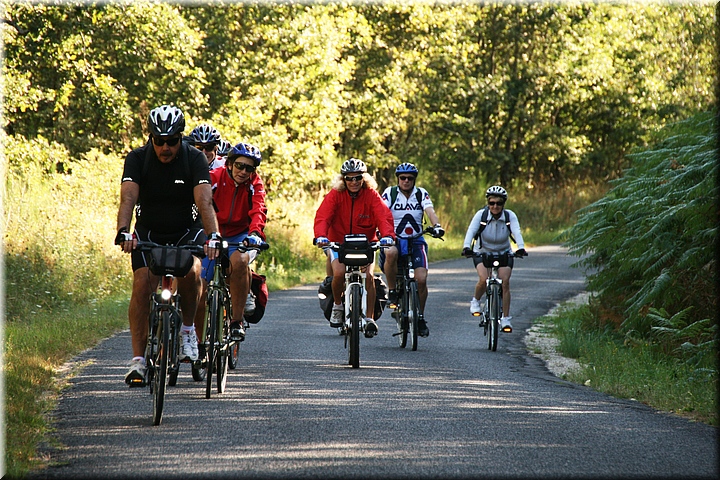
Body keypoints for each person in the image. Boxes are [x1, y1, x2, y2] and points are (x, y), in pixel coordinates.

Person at [115, 105, 222, 386]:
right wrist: (123, 232)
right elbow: (127, 199)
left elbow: (205, 201)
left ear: (180, 138)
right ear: (150, 137)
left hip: (187, 231)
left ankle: (188, 331)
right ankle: (138, 361)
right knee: (142, 283)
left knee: (193, 273)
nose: (165, 147)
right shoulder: (138, 159)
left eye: (172, 141)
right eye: (159, 140)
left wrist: (214, 236)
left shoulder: (194, 158)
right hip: (150, 231)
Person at [193, 142, 267, 343]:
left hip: (239, 235)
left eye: (249, 168)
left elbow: (259, 210)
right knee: (200, 286)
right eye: (240, 166)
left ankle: (236, 321)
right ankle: (198, 341)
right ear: (230, 164)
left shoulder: (255, 184)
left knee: (241, 262)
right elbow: (200, 204)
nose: (243, 172)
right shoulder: (214, 177)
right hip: (212, 234)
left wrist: (255, 234)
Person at [314, 158, 395, 337]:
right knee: (339, 274)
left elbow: (384, 216)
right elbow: (323, 217)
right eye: (349, 178)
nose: (354, 182)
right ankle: (337, 305)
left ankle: (369, 318)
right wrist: (321, 236)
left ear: (363, 178)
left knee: (368, 276)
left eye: (357, 178)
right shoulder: (335, 194)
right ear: (343, 179)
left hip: (365, 244)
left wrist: (388, 236)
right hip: (338, 243)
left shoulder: (372, 195)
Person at [379, 162, 444, 338]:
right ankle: (392, 291)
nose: (406, 181)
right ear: (398, 179)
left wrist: (436, 225)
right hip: (394, 238)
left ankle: (420, 317)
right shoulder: (390, 193)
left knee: (421, 279)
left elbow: (430, 210)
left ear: (414, 179)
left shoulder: (421, 193)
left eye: (410, 178)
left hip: (416, 239)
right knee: (390, 253)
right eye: (402, 178)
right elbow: (381, 211)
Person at [461, 186, 527, 333]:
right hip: (483, 252)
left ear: (504, 204)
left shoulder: (510, 216)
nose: (495, 206)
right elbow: (471, 231)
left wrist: (521, 247)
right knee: (484, 279)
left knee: (505, 283)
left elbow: (517, 232)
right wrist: (466, 247)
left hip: (504, 252)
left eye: (498, 203)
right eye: (491, 203)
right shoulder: (481, 215)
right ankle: (476, 301)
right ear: (488, 203)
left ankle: (505, 319)